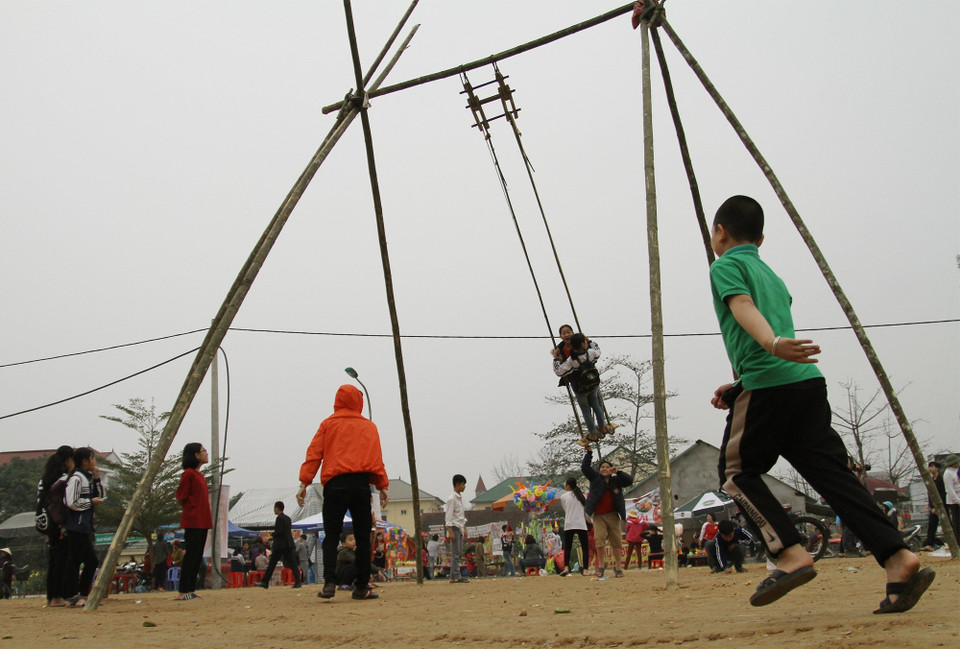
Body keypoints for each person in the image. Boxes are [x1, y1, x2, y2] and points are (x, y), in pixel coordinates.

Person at [707, 195, 933, 612]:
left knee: (736, 474)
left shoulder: (725, 266)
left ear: (719, 232)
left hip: (769, 383)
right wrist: (739, 383)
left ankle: (790, 554)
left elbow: (743, 307)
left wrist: (771, 345)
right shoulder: (772, 275)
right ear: (761, 239)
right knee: (834, 478)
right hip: (805, 385)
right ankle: (898, 557)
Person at [297, 384, 389, 601]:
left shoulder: (328, 424)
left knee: (331, 535)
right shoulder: (369, 427)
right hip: (360, 484)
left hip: (335, 484)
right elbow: (376, 459)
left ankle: (329, 584)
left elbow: (314, 454)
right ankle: (361, 587)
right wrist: (382, 485)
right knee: (363, 537)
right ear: (359, 402)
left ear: (337, 401)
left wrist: (304, 482)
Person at [63, 447, 106, 607]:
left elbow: (101, 496)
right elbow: (71, 502)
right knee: (74, 561)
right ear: (85, 462)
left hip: (85, 526)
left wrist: (97, 479)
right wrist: (90, 503)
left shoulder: (87, 479)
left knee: (91, 561)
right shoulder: (76, 479)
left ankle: (83, 594)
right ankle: (73, 595)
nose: (94, 462)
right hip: (76, 526)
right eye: (92, 458)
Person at [581, 448, 633, 578]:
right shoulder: (595, 479)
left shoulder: (616, 480)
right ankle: (601, 565)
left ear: (611, 469)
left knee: (616, 542)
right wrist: (589, 453)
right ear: (599, 470)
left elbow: (629, 481)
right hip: (599, 515)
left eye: (607, 467)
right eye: (602, 467)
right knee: (599, 540)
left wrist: (618, 472)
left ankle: (618, 567)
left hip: (613, 515)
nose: (604, 469)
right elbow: (585, 468)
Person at [553, 328, 609, 446]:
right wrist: (589, 341)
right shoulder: (590, 353)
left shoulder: (572, 360)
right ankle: (602, 427)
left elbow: (559, 371)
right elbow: (598, 350)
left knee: (585, 410)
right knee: (597, 405)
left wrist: (556, 358)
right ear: (583, 344)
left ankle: (593, 433)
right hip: (593, 383)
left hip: (580, 387)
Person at [37, 445, 73, 607]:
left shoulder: (44, 479)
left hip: (47, 523)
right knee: (61, 561)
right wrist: (62, 525)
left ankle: (51, 597)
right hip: (59, 524)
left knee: (53, 561)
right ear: (68, 461)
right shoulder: (63, 480)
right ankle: (58, 597)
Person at [175, 442, 211, 601]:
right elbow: (181, 497)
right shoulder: (188, 474)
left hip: (203, 520)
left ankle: (190, 589)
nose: (206, 453)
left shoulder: (200, 475)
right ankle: (183, 591)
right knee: (191, 556)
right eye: (204, 451)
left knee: (197, 557)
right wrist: (191, 509)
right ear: (196, 455)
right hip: (193, 520)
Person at [258, 501, 302, 589]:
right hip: (288, 544)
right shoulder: (288, 518)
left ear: (277, 508)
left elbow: (280, 532)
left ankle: (264, 582)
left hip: (279, 545)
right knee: (293, 564)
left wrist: (272, 535)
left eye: (274, 508)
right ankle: (298, 581)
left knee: (272, 564)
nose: (274, 510)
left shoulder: (279, 518)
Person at [559, 477, 589, 576]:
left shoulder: (563, 496)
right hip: (581, 523)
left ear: (568, 486)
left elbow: (566, 510)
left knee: (567, 547)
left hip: (569, 523)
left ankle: (566, 567)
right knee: (585, 547)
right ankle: (585, 569)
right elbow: (585, 511)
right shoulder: (582, 496)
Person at [445, 474, 469, 583]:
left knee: (458, 552)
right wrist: (450, 530)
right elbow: (449, 515)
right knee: (455, 553)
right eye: (463, 484)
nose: (464, 487)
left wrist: (464, 528)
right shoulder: (452, 499)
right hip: (454, 527)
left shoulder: (459, 498)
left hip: (459, 527)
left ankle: (453, 576)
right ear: (458, 484)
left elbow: (461, 515)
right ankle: (457, 576)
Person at [922, 461, 946, 551]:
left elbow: (943, 494)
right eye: (929, 467)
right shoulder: (930, 480)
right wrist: (932, 507)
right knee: (932, 526)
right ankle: (929, 544)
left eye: (932, 467)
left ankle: (954, 542)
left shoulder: (941, 479)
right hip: (933, 507)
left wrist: (938, 506)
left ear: (937, 468)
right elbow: (930, 495)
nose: (930, 469)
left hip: (942, 506)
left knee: (947, 525)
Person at [943, 454, 960, 542]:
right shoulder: (948, 473)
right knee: (957, 522)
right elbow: (950, 490)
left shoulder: (957, 471)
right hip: (954, 501)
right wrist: (958, 501)